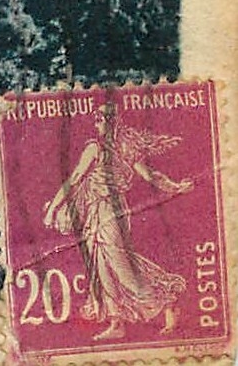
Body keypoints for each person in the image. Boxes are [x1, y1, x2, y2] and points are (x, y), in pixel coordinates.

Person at [42, 103, 192, 340]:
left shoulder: (126, 148)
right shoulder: (94, 148)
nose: (99, 123)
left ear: (115, 121)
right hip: (94, 210)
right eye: (97, 119)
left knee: (120, 264)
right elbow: (75, 178)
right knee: (101, 266)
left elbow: (149, 175)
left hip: (113, 210)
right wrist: (53, 207)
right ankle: (116, 322)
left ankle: (165, 301)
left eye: (103, 119)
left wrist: (175, 186)